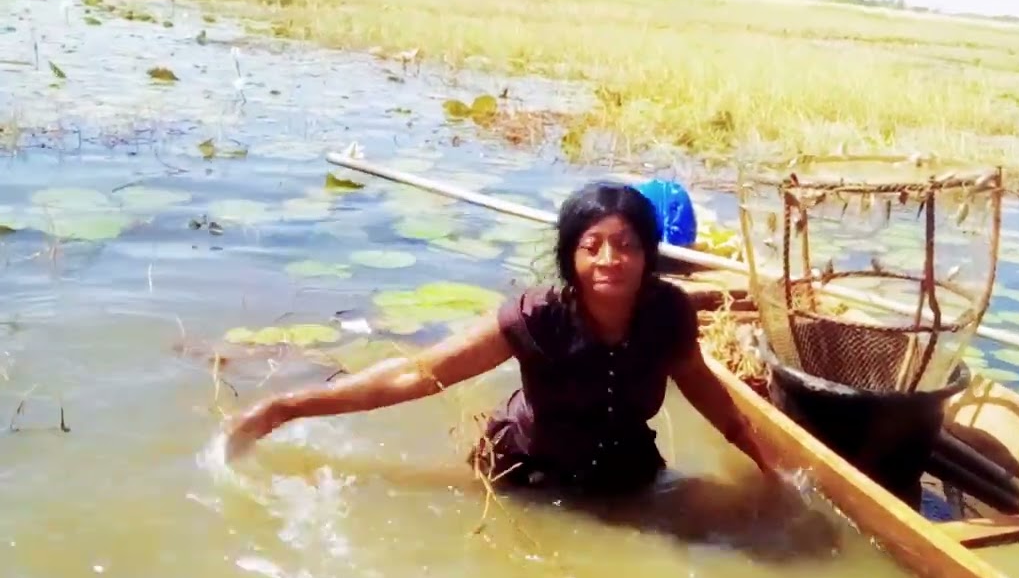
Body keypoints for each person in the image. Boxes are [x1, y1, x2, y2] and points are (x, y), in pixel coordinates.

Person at [223, 180, 775, 498]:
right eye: (593, 245)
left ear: (650, 256)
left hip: (623, 473)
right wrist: (289, 406)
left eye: (627, 245)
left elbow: (701, 386)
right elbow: (419, 374)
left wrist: (762, 460)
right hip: (525, 476)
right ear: (571, 257)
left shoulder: (669, 315)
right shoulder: (536, 318)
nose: (611, 259)